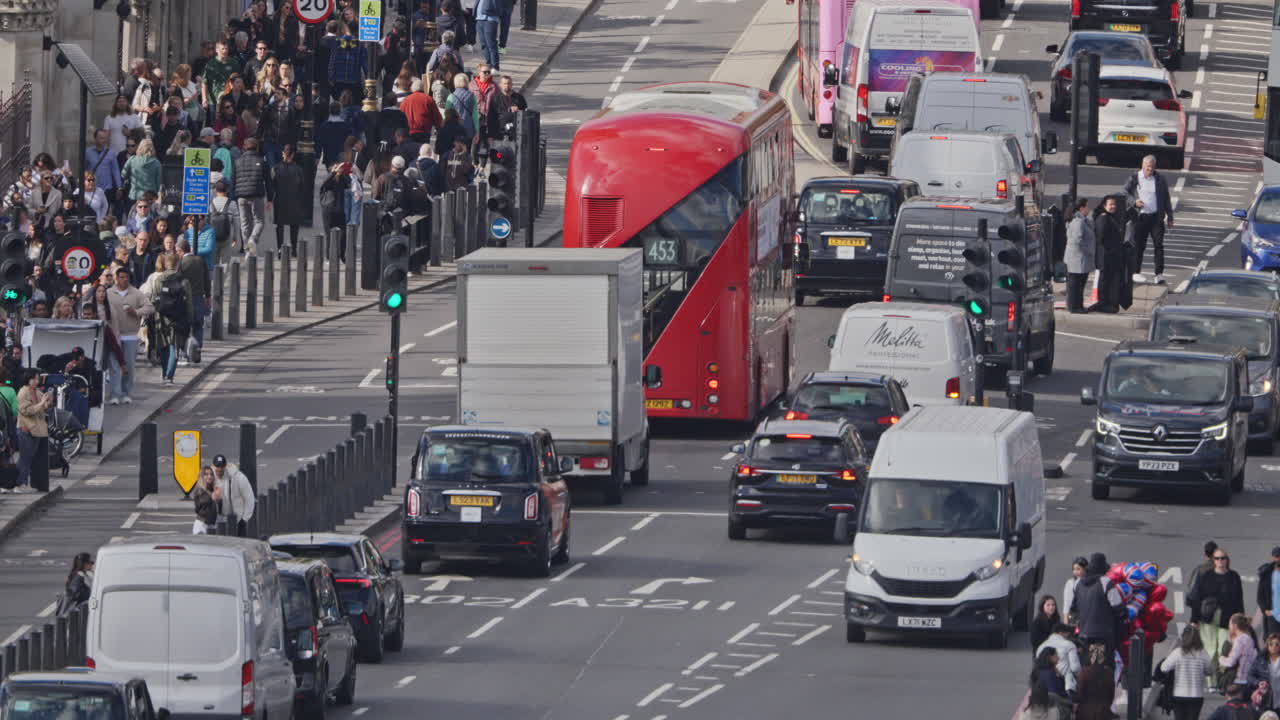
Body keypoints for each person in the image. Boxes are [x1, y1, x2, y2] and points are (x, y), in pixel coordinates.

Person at [1190, 546, 1245, 674]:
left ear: (1227, 560)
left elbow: (1239, 597)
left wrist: (1240, 617)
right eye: (1217, 558)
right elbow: (1197, 598)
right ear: (1213, 561)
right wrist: (1194, 619)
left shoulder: (1234, 576)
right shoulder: (1206, 576)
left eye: (1223, 558)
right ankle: (1211, 679)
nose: (1220, 561)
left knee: (1223, 649)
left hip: (1228, 618)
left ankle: (1221, 678)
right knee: (1210, 650)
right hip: (1208, 617)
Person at [1123, 154, 1175, 285]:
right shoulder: (1135, 178)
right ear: (1142, 165)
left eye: (1151, 168)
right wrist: (1134, 202)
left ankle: (1159, 274)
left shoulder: (1160, 179)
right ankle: (1136, 272)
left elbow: (1166, 198)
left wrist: (1170, 216)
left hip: (1156, 217)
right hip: (1140, 217)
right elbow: (1125, 192)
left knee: (1159, 245)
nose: (1149, 171)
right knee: (1139, 246)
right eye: (1147, 168)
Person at [105, 267, 153, 405]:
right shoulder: (109, 293)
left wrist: (136, 312)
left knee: (129, 366)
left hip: (131, 335)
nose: (124, 279)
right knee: (114, 366)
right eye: (121, 277)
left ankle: (126, 393)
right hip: (113, 335)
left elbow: (150, 308)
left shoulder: (136, 293)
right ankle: (115, 394)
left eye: (126, 277)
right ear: (116, 278)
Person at [1071, 552, 1125, 656]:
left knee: (1085, 663)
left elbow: (1073, 608)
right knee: (1105, 665)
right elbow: (1119, 608)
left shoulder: (1078, 584)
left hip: (1083, 634)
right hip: (1103, 636)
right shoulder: (1106, 583)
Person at [1160, 625, 1213, 720]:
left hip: (1179, 694)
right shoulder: (1202, 653)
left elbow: (1164, 668)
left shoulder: (1178, 652)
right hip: (1196, 695)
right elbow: (1210, 670)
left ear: (1183, 637)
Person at [1089, 195, 1130, 314]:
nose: (1113, 206)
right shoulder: (1103, 218)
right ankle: (1103, 303)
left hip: (1112, 256)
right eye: (1110, 204)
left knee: (1110, 280)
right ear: (1104, 206)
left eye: (1114, 204)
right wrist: (1112, 249)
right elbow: (1101, 238)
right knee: (1105, 280)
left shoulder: (1112, 217)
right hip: (1106, 256)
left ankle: (1109, 303)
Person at [14, 369, 50, 493]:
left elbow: (43, 407)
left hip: (37, 429)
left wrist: (46, 401)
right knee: (25, 457)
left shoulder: (37, 392)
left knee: (30, 457)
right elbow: (26, 411)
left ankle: (23, 482)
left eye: (37, 378)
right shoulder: (23, 392)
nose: (37, 381)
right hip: (26, 428)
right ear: (28, 379)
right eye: (34, 378)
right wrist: (41, 403)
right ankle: (19, 483)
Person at [269, 144, 306, 256]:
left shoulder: (275, 168)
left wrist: (271, 199)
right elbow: (302, 186)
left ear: (283, 153)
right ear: (293, 155)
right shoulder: (299, 169)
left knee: (280, 226)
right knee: (294, 226)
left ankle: (280, 249)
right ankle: (294, 249)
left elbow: (272, 185)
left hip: (280, 200)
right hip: (294, 200)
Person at [234, 138, 268, 256]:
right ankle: (253, 240)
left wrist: (234, 197)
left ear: (244, 147)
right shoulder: (261, 161)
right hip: (256, 194)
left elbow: (233, 179)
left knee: (245, 223)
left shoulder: (237, 161)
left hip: (241, 196)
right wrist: (270, 199)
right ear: (257, 147)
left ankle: (247, 249)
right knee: (259, 221)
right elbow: (268, 180)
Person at [176, 238, 209, 356]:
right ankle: (197, 349)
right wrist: (208, 296)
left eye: (177, 251)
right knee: (198, 324)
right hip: (199, 297)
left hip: (186, 299)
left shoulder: (181, 263)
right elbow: (207, 279)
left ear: (180, 251)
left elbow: (177, 281)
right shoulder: (200, 260)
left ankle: (186, 352)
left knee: (186, 325)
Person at [1063, 196, 1097, 313]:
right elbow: (1077, 240)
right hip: (1078, 259)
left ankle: (1078, 305)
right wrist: (1088, 251)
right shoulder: (1078, 221)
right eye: (1087, 206)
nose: (1089, 209)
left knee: (1079, 283)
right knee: (1076, 284)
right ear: (1082, 208)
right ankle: (1075, 306)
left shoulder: (1081, 220)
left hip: (1079, 258)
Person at [212, 454, 255, 537]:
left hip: (237, 521)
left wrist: (244, 520)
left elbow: (249, 498)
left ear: (225, 466)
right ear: (213, 466)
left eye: (222, 468)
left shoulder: (238, 477)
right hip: (220, 522)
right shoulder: (211, 477)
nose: (220, 470)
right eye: (217, 468)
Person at [1037, 623, 1082, 695]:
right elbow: (1075, 668)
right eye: (1067, 634)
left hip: (1042, 687)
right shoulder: (1069, 645)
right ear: (1061, 632)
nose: (1068, 637)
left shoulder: (1041, 647)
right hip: (1065, 687)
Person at [1076, 644, 1117, 720]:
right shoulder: (1109, 672)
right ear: (1104, 658)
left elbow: (1080, 692)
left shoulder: (1084, 672)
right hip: (1103, 712)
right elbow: (1111, 694)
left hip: (1086, 711)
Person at [1219, 613, 1259, 692]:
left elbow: (1231, 662)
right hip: (1248, 677)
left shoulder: (1239, 640)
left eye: (1230, 624)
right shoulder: (1249, 639)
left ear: (1235, 625)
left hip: (1238, 679)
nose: (1229, 626)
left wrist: (1221, 659)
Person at [486, 74, 527, 142]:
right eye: (504, 84)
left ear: (511, 84)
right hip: (499, 133)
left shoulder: (519, 98)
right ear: (500, 85)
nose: (507, 86)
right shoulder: (495, 98)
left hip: (516, 133)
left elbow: (526, 113)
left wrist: (518, 110)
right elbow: (491, 118)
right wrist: (490, 135)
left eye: (509, 83)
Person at [122, 138, 161, 208]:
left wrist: (129, 178)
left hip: (134, 196)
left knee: (132, 216)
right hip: (150, 197)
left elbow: (123, 175)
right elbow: (159, 183)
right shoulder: (156, 163)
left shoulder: (132, 159)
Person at [1247, 632, 1280, 714]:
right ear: (1267, 645)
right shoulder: (1260, 660)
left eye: (1277, 644)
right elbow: (1249, 676)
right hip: (1265, 700)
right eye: (1271, 644)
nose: (1274, 647)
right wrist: (1258, 683)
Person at [192, 465, 220, 534]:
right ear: (202, 477)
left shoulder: (212, 489)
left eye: (211, 474)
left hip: (212, 525)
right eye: (206, 474)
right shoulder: (200, 490)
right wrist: (212, 497)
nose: (209, 476)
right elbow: (203, 503)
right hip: (202, 524)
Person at [1259, 548, 1280, 639]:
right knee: (1273, 641)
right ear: (1272, 557)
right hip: (1272, 614)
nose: (1278, 559)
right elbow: (1260, 595)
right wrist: (1265, 610)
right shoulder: (1266, 573)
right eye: (1276, 556)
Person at [1063, 556, 1088, 623]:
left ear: (1085, 569)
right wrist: (1066, 620)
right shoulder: (1070, 583)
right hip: (1075, 617)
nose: (1075, 572)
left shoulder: (1090, 582)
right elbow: (1067, 603)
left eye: (1078, 569)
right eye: (1074, 569)